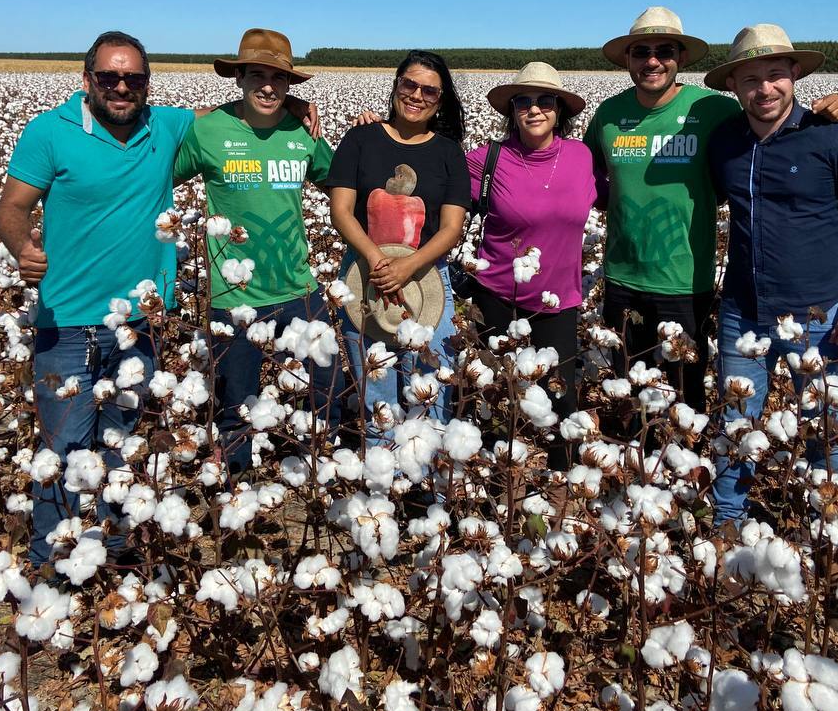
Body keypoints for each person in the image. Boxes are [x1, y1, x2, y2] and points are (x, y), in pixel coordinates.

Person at [584, 6, 838, 420]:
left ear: (681, 57)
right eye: (641, 51)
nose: (652, 60)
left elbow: (773, 128)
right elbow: (588, 178)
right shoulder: (608, 116)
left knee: (684, 393)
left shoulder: (714, 109)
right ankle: (638, 465)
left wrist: (821, 117)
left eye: (664, 50)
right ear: (628, 59)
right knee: (629, 386)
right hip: (621, 276)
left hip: (686, 280)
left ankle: (681, 469)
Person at [0, 31, 196, 567]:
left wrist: (295, 105)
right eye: (110, 77)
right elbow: (12, 207)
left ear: (147, 84)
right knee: (62, 452)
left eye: (133, 78)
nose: (122, 87)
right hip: (66, 327)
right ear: (88, 81)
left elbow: (234, 118)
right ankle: (50, 565)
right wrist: (22, 247)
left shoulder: (168, 126)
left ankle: (109, 554)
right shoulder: (49, 132)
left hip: (138, 325)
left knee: (121, 443)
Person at [705, 24, 838, 524]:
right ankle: (728, 522)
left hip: (820, 313)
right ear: (734, 87)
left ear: (795, 74)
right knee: (736, 422)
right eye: (751, 79)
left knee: (826, 423)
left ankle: (831, 525)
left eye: (775, 75)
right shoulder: (724, 143)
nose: (764, 88)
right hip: (742, 309)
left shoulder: (837, 139)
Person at [173, 29, 340, 472]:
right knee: (237, 403)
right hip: (236, 296)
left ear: (289, 85)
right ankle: (238, 490)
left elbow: (340, 185)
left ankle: (322, 473)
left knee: (327, 387)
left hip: (298, 286)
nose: (268, 86)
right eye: (257, 75)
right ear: (239, 78)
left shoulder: (303, 132)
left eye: (278, 78)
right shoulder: (208, 131)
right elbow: (156, 181)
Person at [327, 50, 470, 439]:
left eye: (430, 90)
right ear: (396, 85)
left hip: (428, 277)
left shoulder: (448, 152)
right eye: (410, 84)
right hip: (364, 273)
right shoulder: (360, 139)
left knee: (429, 381)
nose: (417, 95)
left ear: (441, 101)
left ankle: (429, 482)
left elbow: (451, 228)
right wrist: (377, 258)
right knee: (377, 387)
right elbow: (341, 211)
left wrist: (408, 266)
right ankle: (383, 479)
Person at [464, 62, 597, 459]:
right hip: (497, 296)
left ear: (561, 110)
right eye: (524, 101)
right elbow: (432, 170)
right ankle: (493, 482)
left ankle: (561, 485)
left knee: (560, 400)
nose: (534, 109)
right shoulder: (487, 158)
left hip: (560, 302)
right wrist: (377, 127)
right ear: (512, 110)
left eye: (545, 101)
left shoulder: (582, 156)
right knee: (495, 396)